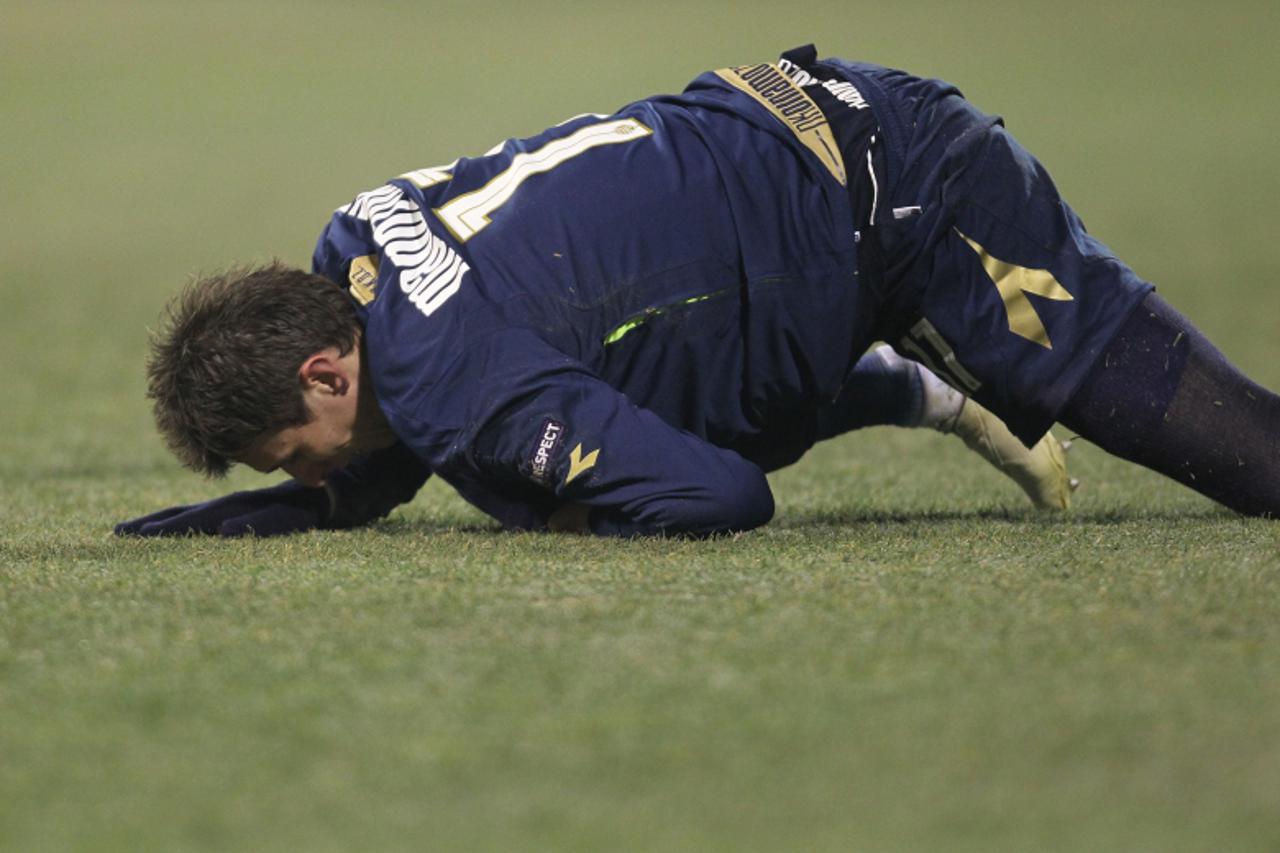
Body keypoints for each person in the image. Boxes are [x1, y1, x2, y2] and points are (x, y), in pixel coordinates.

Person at [116, 45, 1278, 538]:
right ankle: (919, 388)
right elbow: (394, 431)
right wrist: (261, 513)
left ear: (324, 368)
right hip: (803, 140)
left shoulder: (468, 398)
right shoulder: (353, 245)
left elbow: (723, 498)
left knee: (1248, 459)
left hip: (911, 192)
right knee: (632, 378)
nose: (321, 473)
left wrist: (558, 516)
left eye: (296, 455)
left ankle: (917, 379)